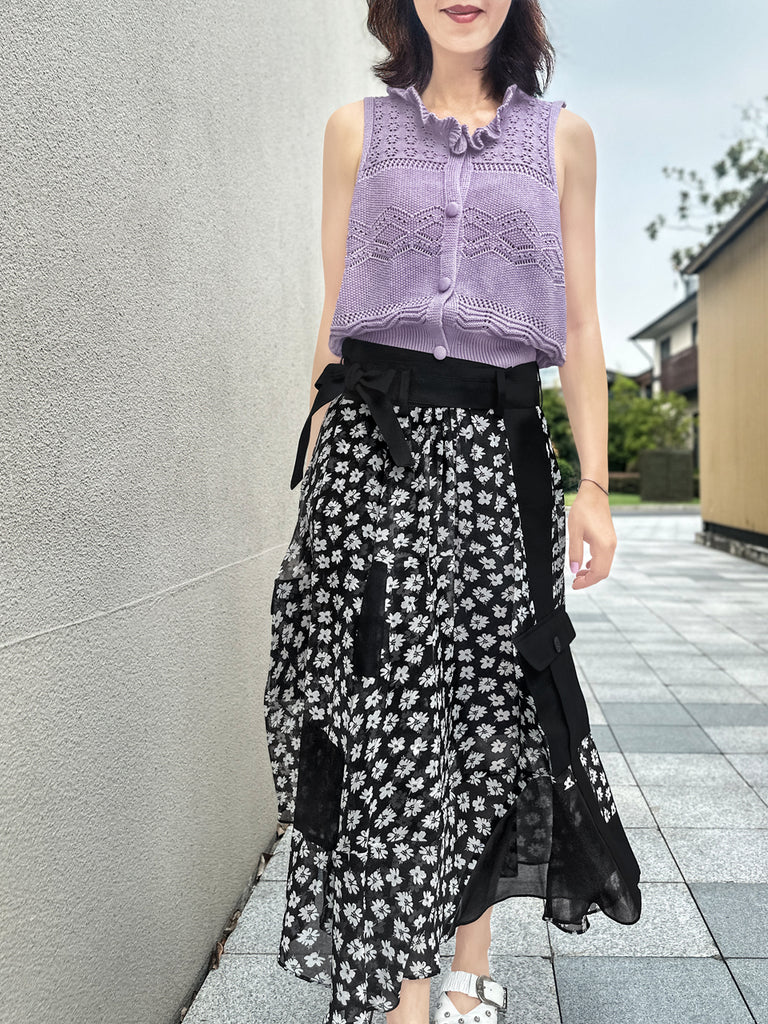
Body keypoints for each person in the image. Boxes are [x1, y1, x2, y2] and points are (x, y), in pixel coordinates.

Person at [264, 2, 643, 1023]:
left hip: (498, 459)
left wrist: (596, 485)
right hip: (371, 462)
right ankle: (408, 995)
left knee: (486, 712)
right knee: (387, 718)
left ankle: (469, 962)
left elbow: (580, 322)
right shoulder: (354, 131)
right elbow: (334, 317)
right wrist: (316, 468)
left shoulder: (563, 138)